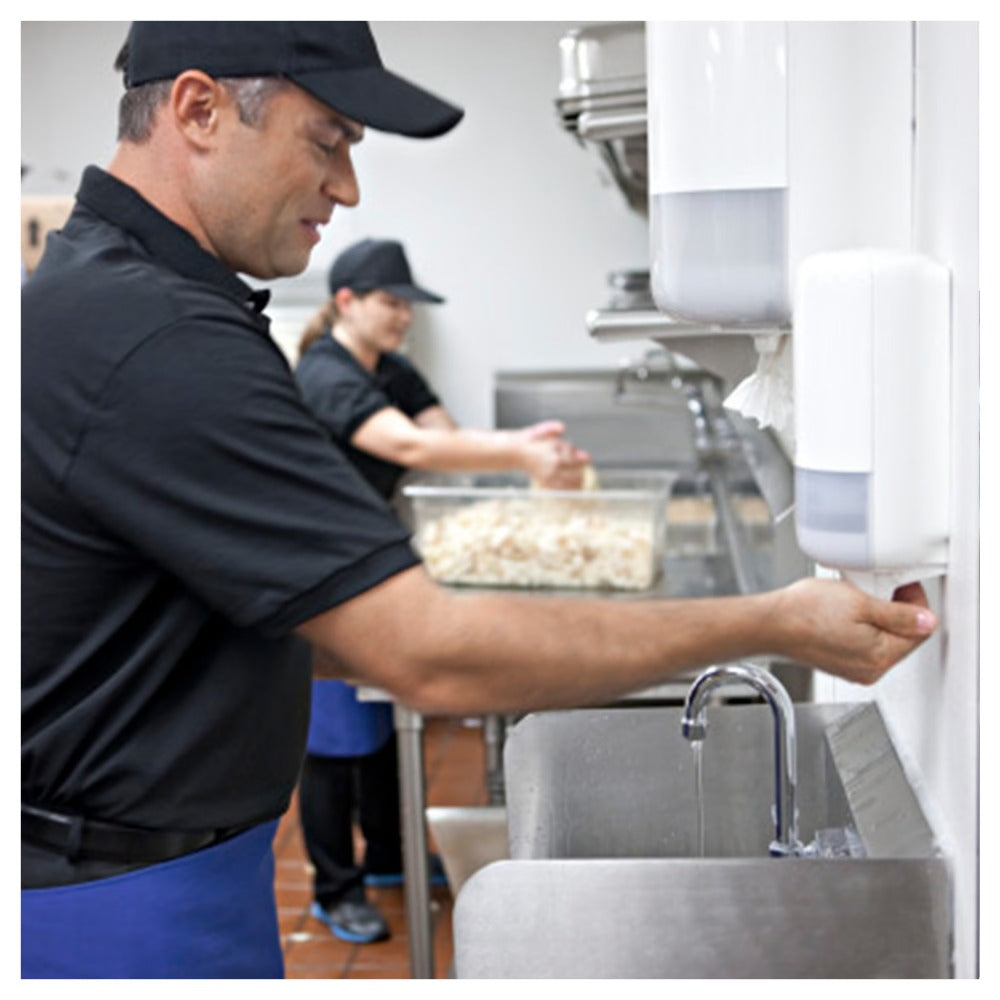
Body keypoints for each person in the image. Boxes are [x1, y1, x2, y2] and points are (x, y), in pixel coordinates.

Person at [21, 21, 938, 980]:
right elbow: (427, 656)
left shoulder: (133, 300)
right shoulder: (155, 336)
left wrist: (401, 619)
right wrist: (772, 623)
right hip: (114, 910)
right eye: (327, 140)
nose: (346, 188)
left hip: (172, 873)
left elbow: (276, 625)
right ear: (198, 109)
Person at [293, 238, 589, 943]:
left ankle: (391, 856)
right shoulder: (325, 373)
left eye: (408, 305)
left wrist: (524, 453)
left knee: (384, 718)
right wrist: (522, 452)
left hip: (365, 559)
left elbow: (443, 434)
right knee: (334, 743)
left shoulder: (389, 369)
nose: (403, 317)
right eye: (390, 302)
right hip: (312, 568)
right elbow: (412, 450)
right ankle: (336, 888)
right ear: (346, 302)